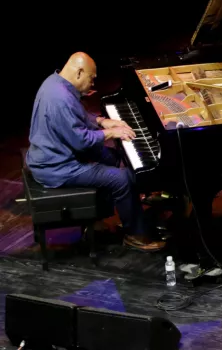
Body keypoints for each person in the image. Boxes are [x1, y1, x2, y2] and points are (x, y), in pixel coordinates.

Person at [26, 52, 166, 252]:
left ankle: (99, 219)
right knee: (122, 179)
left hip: (54, 154)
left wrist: (101, 121)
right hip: (56, 167)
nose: (92, 84)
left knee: (113, 157)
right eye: (91, 78)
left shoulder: (55, 83)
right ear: (79, 72)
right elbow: (82, 141)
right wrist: (111, 132)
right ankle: (135, 235)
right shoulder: (61, 99)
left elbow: (76, 119)